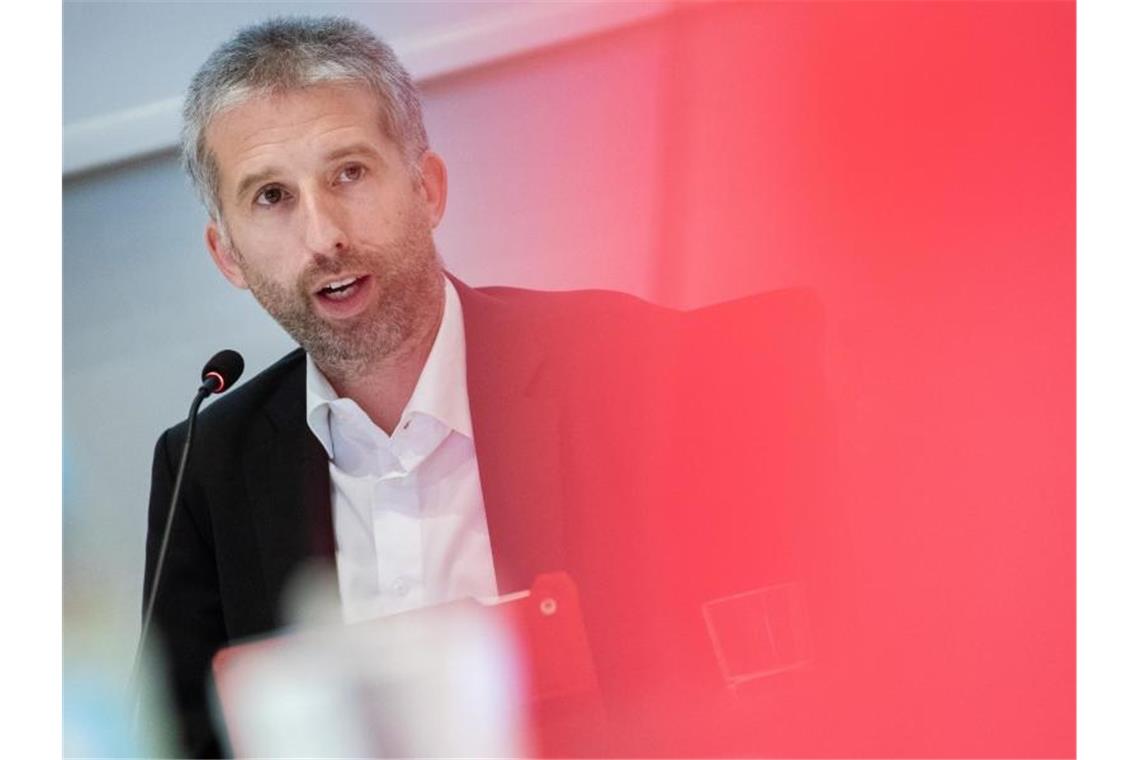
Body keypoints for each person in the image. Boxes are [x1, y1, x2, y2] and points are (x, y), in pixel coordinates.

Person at [144, 15, 851, 758]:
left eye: (349, 173)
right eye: (271, 198)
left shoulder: (640, 372)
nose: (323, 238)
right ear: (227, 254)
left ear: (428, 188)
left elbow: (798, 669)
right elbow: (182, 740)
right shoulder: (208, 466)